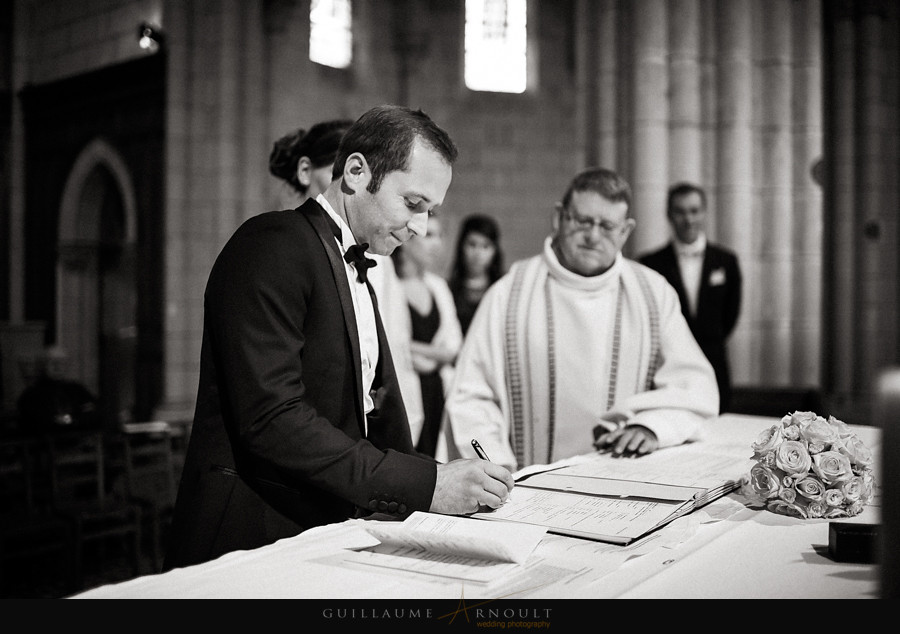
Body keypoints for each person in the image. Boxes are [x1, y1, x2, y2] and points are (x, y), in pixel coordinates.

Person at [164, 105, 514, 570]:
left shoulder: (355, 265)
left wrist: (431, 482)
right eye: (413, 204)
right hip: (255, 532)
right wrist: (426, 484)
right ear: (355, 172)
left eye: (430, 212)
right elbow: (273, 420)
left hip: (327, 526)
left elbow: (366, 411)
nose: (420, 228)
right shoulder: (273, 243)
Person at [444, 167, 719, 472]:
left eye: (607, 226)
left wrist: (652, 426)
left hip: (622, 483)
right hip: (525, 490)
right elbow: (471, 396)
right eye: (583, 221)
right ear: (559, 217)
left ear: (625, 232)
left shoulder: (652, 293)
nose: (593, 236)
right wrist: (496, 468)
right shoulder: (509, 293)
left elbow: (694, 388)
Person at [268, 117, 425, 435]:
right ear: (304, 171)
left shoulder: (376, 256)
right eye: (332, 173)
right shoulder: (277, 246)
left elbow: (392, 344)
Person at [638, 182, 742, 413]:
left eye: (694, 211)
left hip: (715, 364)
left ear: (704, 212)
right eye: (680, 211)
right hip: (667, 370)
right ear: (669, 215)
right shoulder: (650, 264)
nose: (688, 219)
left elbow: (730, 314)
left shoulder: (726, 261)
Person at [390, 215, 463, 457]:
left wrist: (412, 349)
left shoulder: (438, 287)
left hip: (437, 393)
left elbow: (453, 347)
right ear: (407, 238)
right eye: (429, 235)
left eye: (440, 236)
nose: (437, 244)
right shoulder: (389, 288)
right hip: (404, 393)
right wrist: (432, 354)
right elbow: (389, 345)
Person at [16, 345, 101, 433]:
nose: (57, 366)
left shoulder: (77, 389)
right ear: (43, 366)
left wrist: (70, 420)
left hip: (78, 440)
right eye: (52, 362)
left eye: (62, 363)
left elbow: (92, 412)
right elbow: (36, 421)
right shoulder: (31, 394)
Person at [447, 214, 505, 335]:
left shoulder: (503, 289)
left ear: (495, 251)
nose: (478, 253)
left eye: (485, 246)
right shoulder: (447, 290)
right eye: (472, 244)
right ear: (461, 246)